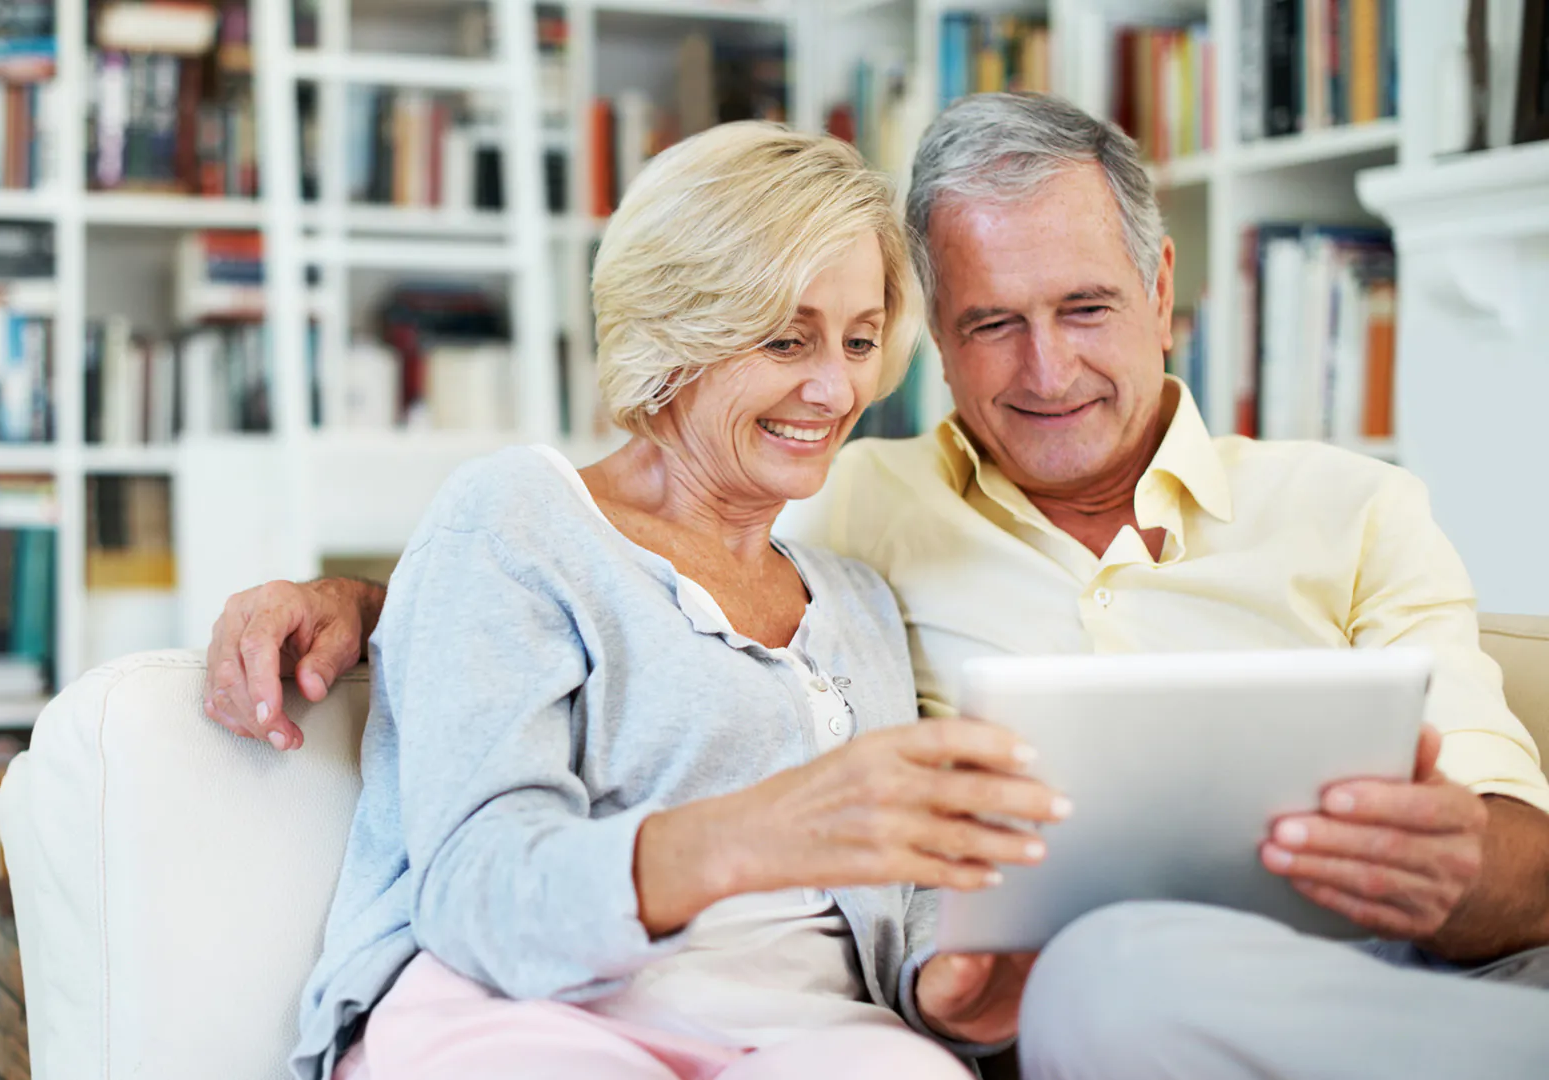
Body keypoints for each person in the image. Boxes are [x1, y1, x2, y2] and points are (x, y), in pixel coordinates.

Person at [218, 95, 1549, 1078]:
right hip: (1034, 1010)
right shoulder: (826, 510)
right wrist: (361, 604)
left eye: (1084, 308)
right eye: (985, 325)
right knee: (1101, 976)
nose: (1043, 371)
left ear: (1160, 288)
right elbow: (566, 565)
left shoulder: (1349, 509)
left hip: (1345, 981)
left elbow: (1521, 851)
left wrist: (951, 979)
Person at [289, 122, 1067, 1080]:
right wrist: (751, 835)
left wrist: (957, 983)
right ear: (674, 327)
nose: (834, 386)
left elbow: (899, 925)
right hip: (529, 1013)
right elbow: (477, 894)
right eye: (787, 337)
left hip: (808, 1034)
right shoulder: (516, 520)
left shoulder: (857, 601)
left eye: (860, 340)